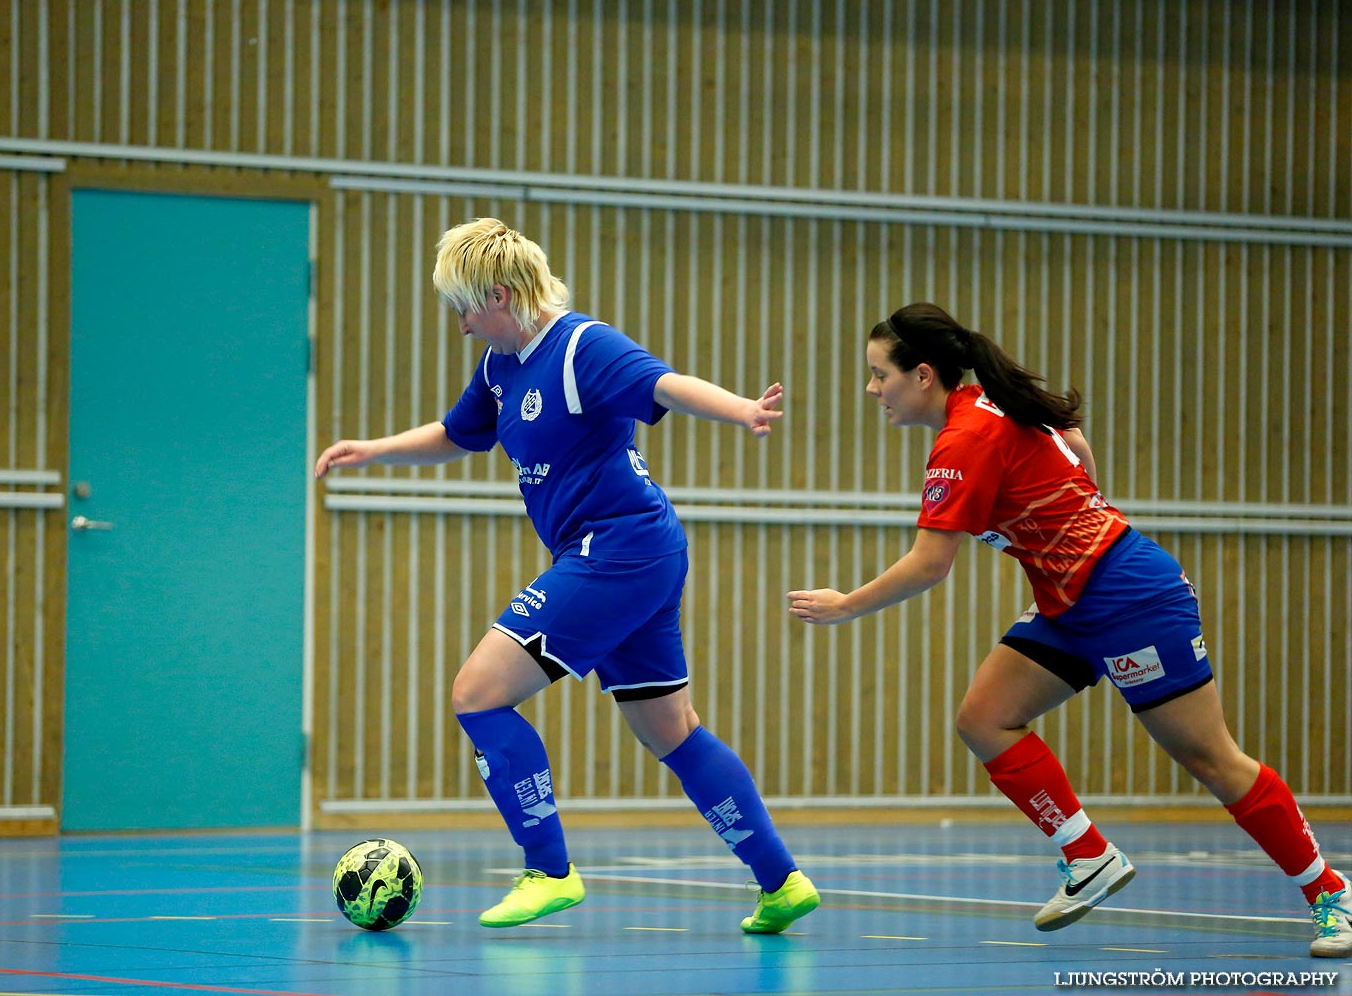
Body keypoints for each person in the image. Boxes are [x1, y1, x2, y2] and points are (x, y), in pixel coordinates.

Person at [785, 302, 1349, 958]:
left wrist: (846, 604)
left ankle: (1331, 893)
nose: (871, 389)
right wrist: (1080, 506)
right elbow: (1073, 442)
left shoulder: (963, 439)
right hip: (1070, 602)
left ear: (923, 375)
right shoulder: (988, 404)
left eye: (879, 375)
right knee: (984, 718)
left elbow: (930, 565)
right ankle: (1088, 855)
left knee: (1211, 759)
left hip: (1131, 598)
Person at [316, 217, 819, 933]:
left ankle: (549, 870)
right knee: (669, 727)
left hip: (615, 549)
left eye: (465, 308)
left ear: (499, 293)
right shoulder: (500, 364)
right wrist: (373, 450)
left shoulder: (580, 345)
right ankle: (782, 883)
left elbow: (665, 384)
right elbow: (459, 435)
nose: (462, 326)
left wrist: (741, 410)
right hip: (631, 554)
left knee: (477, 694)